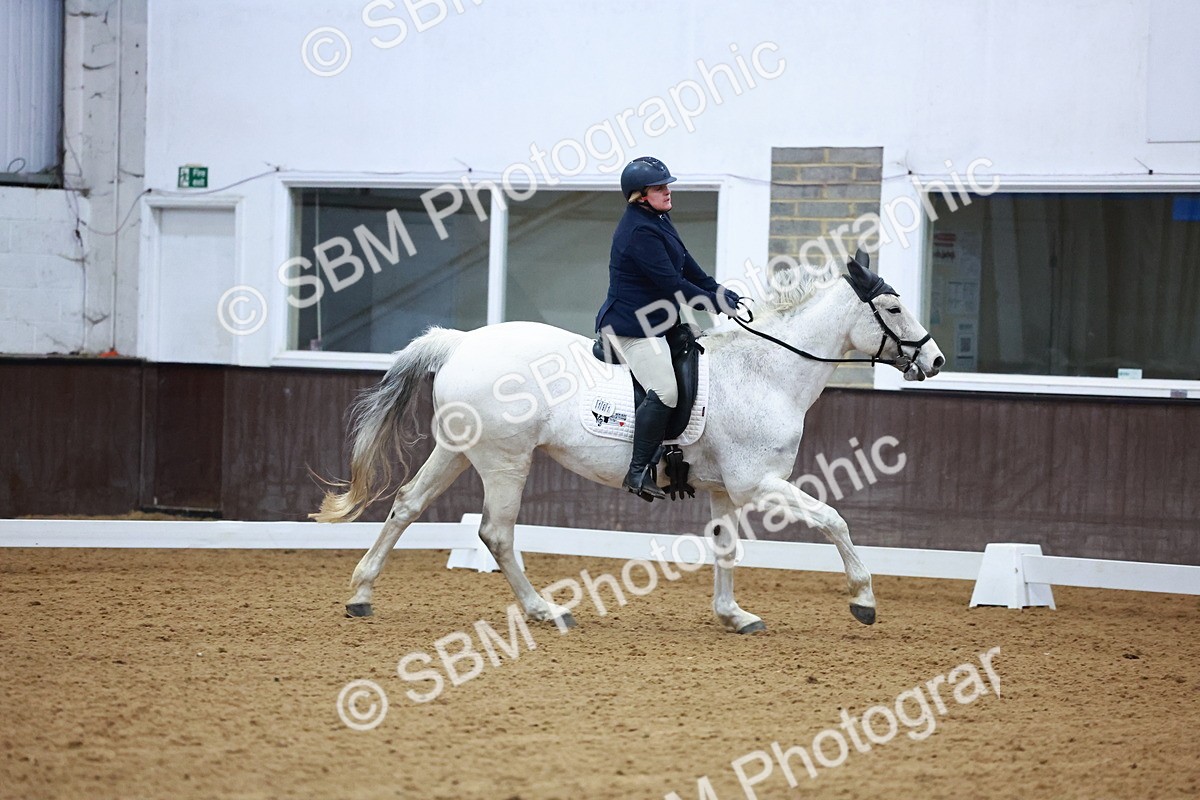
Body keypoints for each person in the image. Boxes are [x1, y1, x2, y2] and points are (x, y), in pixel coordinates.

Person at [595, 156, 742, 501]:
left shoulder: (658, 218)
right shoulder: (638, 231)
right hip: (631, 327)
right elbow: (671, 285)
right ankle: (637, 470)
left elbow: (688, 267)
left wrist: (719, 291)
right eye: (660, 187)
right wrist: (713, 303)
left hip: (659, 322)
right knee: (665, 392)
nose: (668, 191)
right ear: (639, 195)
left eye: (667, 185)